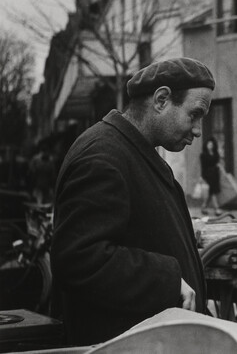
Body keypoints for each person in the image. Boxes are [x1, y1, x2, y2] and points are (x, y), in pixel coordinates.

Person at [51, 57, 215, 346]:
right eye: (195, 114)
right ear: (162, 99)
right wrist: (169, 280)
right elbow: (80, 259)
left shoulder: (130, 151)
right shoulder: (103, 156)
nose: (199, 130)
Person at [200, 137, 222, 215]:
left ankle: (204, 207)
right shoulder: (203, 155)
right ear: (206, 145)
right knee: (213, 192)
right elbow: (203, 167)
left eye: (211, 144)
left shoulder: (215, 153)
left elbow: (218, 163)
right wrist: (202, 177)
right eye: (209, 144)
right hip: (208, 175)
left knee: (210, 192)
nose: (210, 146)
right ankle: (217, 209)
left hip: (215, 175)